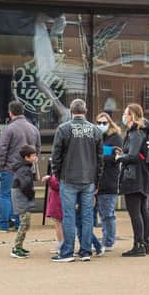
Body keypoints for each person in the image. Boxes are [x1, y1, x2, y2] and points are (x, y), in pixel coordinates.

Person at [50, 99, 103, 263]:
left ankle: (67, 252)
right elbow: (100, 159)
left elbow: (56, 156)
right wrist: (97, 181)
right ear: (85, 110)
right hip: (88, 179)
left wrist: (57, 175)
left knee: (68, 216)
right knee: (87, 216)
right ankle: (85, 251)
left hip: (69, 178)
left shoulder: (63, 129)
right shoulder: (95, 130)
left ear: (71, 111)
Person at [0, 101, 41, 233]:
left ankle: (3, 224)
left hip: (11, 167)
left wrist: (1, 166)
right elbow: (38, 148)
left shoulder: (9, 128)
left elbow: (2, 149)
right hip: (27, 169)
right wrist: (31, 162)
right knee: (21, 196)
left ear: (10, 113)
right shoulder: (33, 128)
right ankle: (18, 223)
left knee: (5, 195)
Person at [117, 104, 149, 257]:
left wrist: (119, 157)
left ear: (131, 115)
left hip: (134, 175)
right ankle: (144, 243)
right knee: (143, 210)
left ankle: (138, 245)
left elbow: (132, 156)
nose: (124, 116)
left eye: (126, 113)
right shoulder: (143, 131)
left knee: (135, 212)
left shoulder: (135, 133)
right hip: (143, 174)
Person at [95, 112, 123, 251]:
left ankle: (108, 241)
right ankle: (102, 240)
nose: (101, 125)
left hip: (109, 179)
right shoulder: (96, 136)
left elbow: (116, 157)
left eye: (104, 123)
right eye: (99, 123)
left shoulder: (116, 138)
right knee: (98, 213)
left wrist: (99, 158)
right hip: (95, 180)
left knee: (107, 213)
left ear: (110, 123)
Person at [10, 145, 38, 259]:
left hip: (21, 196)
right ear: (27, 157)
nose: (36, 157)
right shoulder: (24, 169)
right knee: (24, 223)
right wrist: (31, 194)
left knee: (25, 223)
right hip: (21, 197)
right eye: (34, 155)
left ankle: (19, 246)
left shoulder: (25, 167)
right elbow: (25, 185)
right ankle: (16, 247)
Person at [42, 174, 63, 254]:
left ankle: (61, 245)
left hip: (57, 201)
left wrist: (49, 179)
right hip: (60, 199)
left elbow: (56, 185)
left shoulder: (59, 171)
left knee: (58, 224)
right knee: (60, 224)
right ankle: (62, 244)